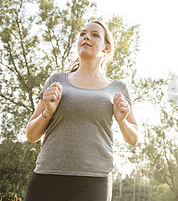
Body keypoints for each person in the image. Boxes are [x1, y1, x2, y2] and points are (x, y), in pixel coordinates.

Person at [24, 20, 139, 201]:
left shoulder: (118, 87)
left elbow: (133, 139)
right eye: (83, 34)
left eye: (95, 35)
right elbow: (31, 135)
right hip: (47, 176)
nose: (86, 37)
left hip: (93, 180)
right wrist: (48, 112)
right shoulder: (56, 80)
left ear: (106, 49)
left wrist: (122, 121)